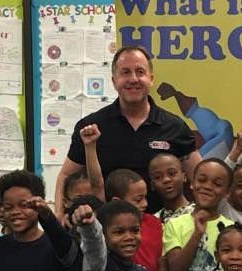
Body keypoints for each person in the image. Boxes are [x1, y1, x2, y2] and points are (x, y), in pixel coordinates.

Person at [54, 46, 200, 216]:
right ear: (114, 80)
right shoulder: (90, 127)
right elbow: (65, 175)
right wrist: (58, 216)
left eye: (140, 72)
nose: (133, 79)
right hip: (109, 232)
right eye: (125, 72)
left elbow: (200, 177)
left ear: (151, 79)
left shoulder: (175, 127)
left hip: (166, 231)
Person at [149, 153, 194, 224]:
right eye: (158, 177)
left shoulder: (198, 213)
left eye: (171, 173)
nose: (166, 180)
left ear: (184, 176)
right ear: (152, 185)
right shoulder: (152, 222)